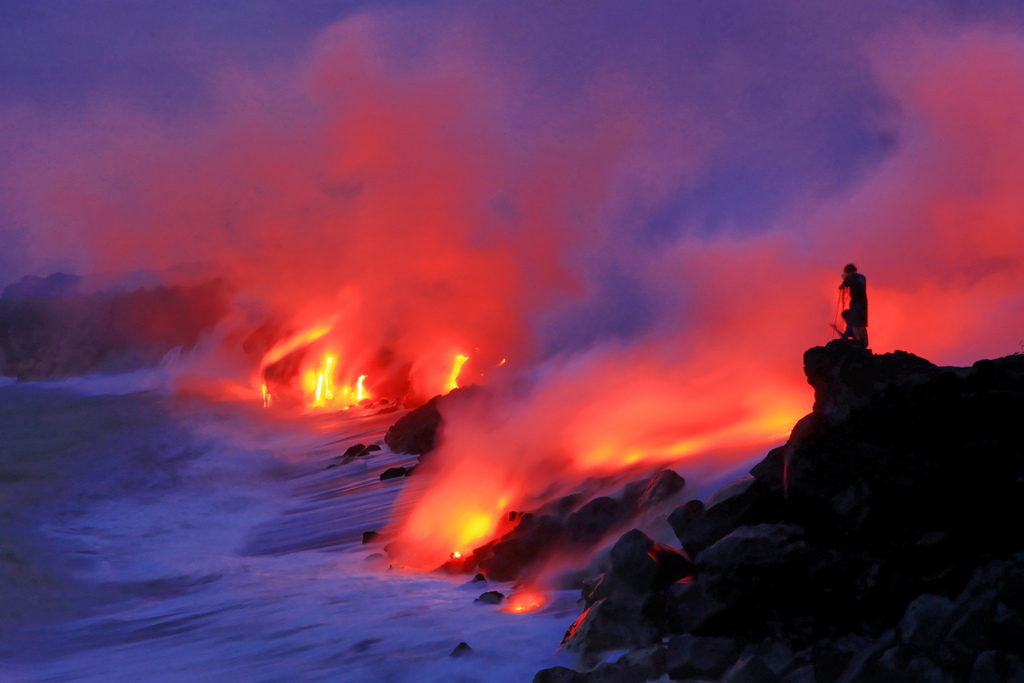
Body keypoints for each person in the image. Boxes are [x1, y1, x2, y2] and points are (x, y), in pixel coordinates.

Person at [832, 263, 868, 348]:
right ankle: (862, 341)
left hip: (855, 302)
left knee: (854, 322)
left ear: (848, 271)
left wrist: (845, 280)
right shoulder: (862, 277)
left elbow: (841, 287)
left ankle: (858, 341)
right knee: (862, 322)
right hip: (864, 303)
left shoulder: (850, 277)